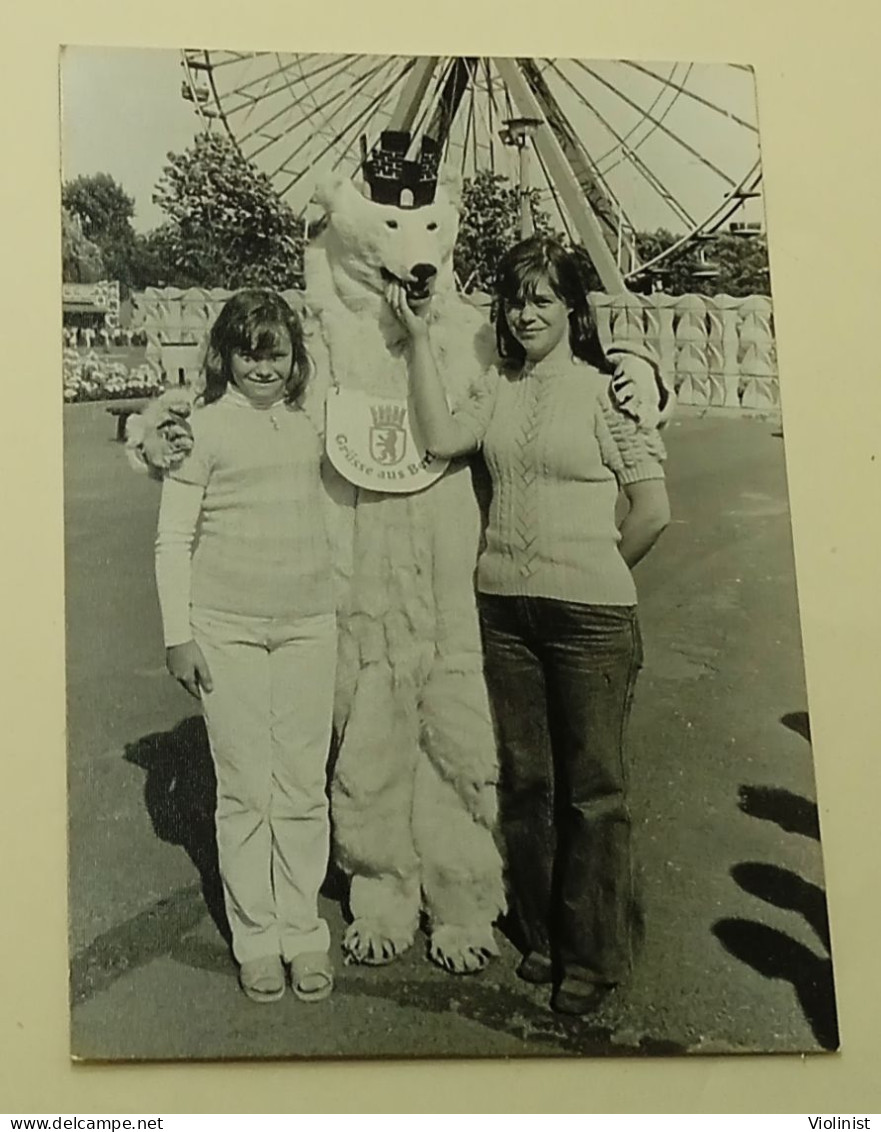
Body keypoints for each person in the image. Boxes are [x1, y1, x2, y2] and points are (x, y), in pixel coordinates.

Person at [389, 235, 671, 1016]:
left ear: (572, 308)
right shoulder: (496, 389)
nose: (524, 314)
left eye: (542, 299)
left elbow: (653, 509)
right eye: (514, 300)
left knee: (592, 793)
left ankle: (592, 954)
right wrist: (415, 340)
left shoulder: (602, 393)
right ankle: (543, 936)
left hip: (590, 620)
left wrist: (594, 570)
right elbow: (441, 437)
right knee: (528, 786)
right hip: (505, 615)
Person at [154, 289, 337, 1004]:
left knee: (299, 785)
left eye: (277, 354)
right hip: (224, 629)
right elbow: (173, 538)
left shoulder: (313, 423)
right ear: (223, 356)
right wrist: (179, 636)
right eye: (248, 354)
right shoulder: (197, 430)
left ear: (295, 362)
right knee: (243, 789)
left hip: (307, 625)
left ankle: (301, 930)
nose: (263, 368)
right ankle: (256, 936)